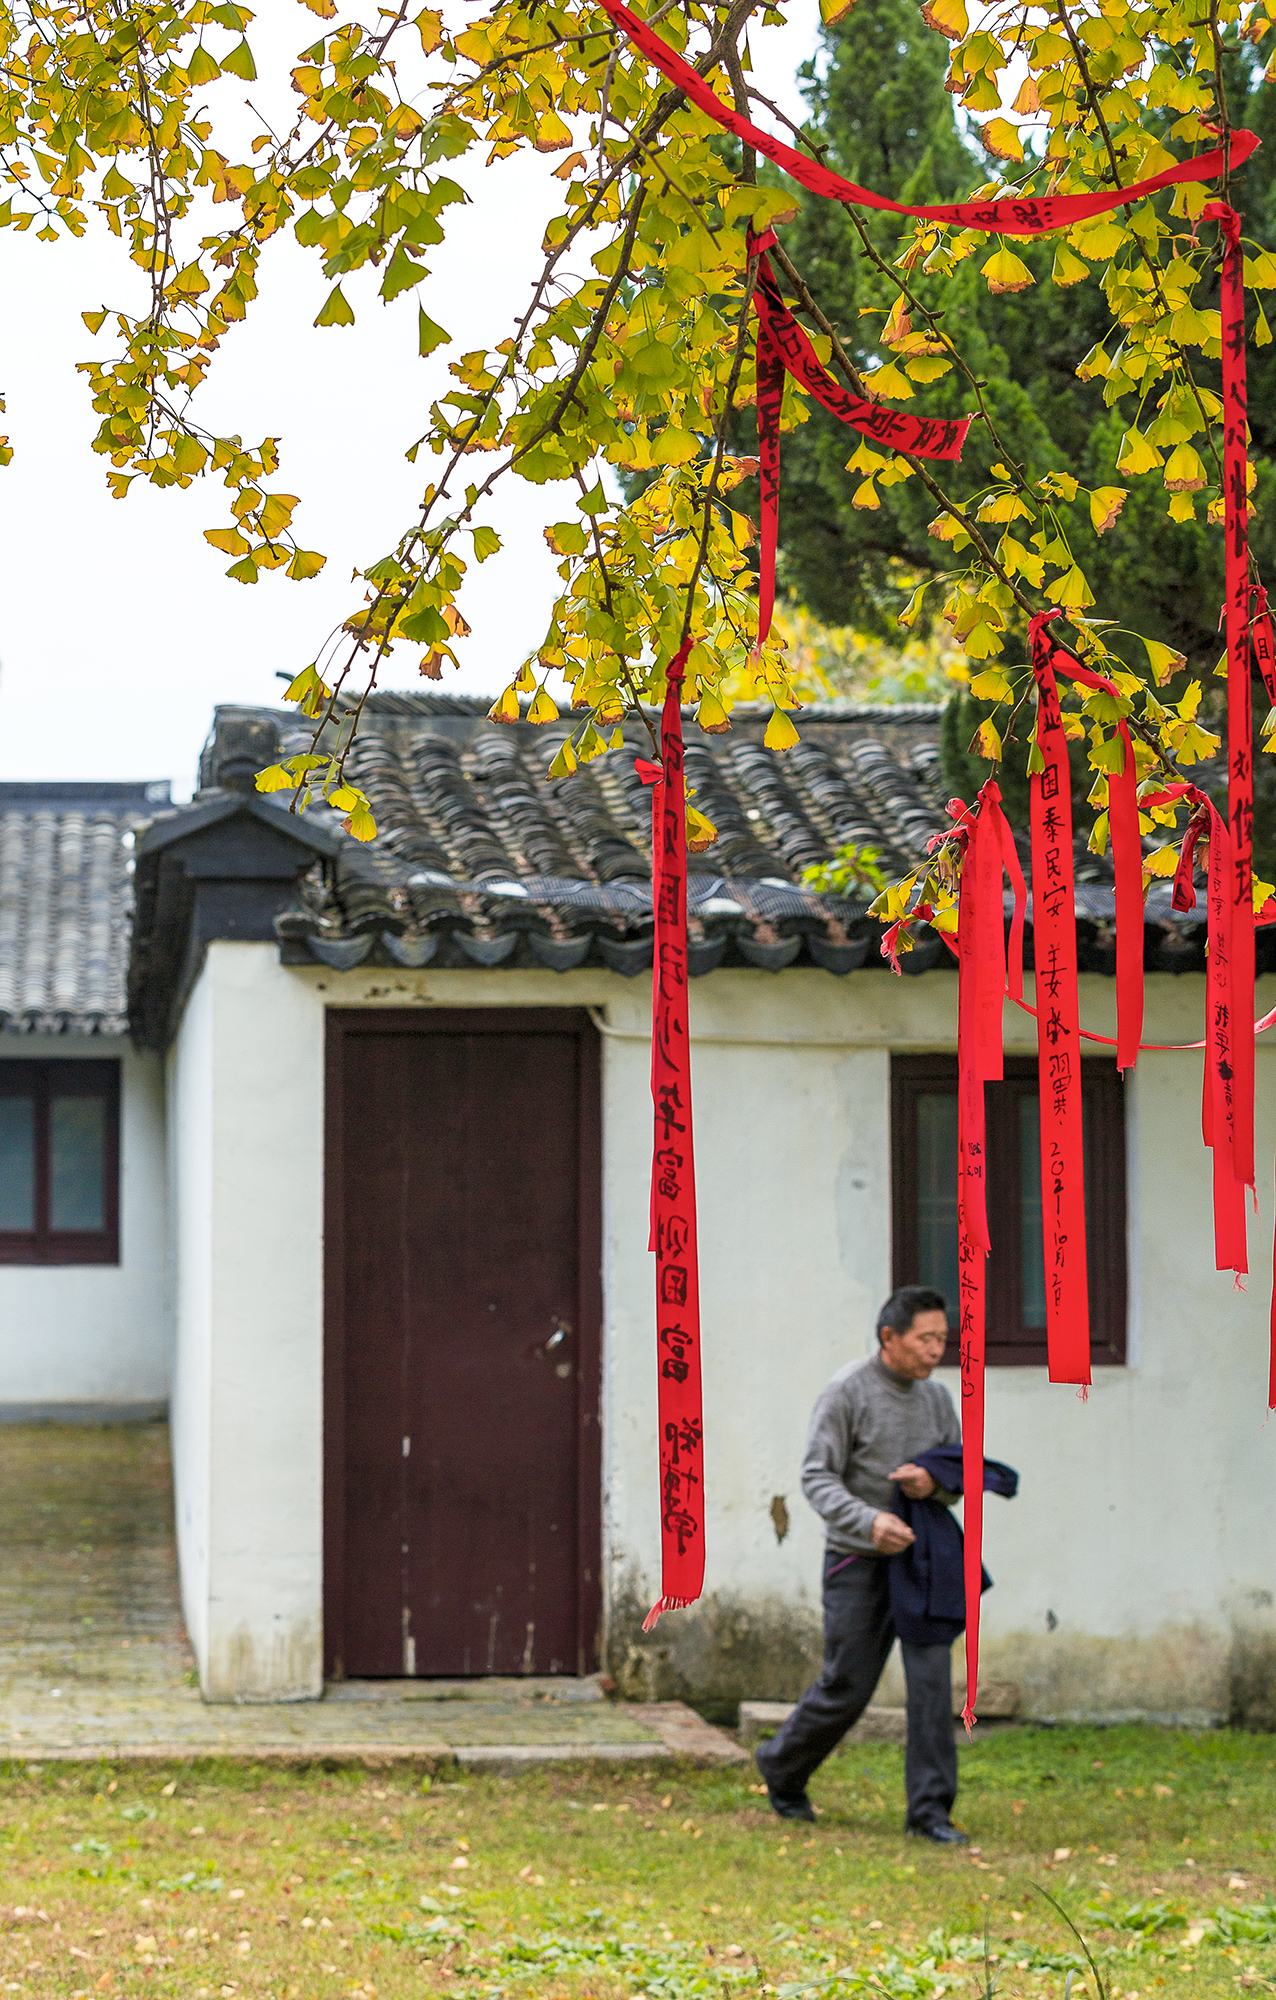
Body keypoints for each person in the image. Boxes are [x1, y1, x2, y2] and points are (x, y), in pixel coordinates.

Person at [754, 1285, 968, 1844]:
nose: (935, 1351)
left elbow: (957, 1474)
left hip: (921, 1561)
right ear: (889, 1338)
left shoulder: (939, 1400)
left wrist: (937, 1483)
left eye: (943, 1340)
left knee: (931, 1685)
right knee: (847, 1685)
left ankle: (930, 1814)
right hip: (856, 1560)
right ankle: (783, 1768)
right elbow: (815, 1477)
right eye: (926, 1339)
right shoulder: (847, 1392)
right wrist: (869, 1521)